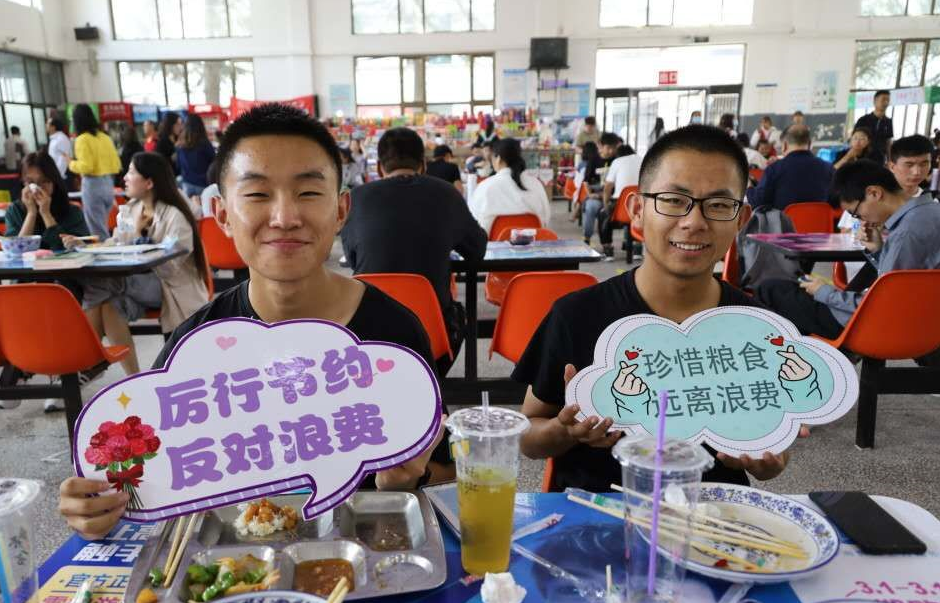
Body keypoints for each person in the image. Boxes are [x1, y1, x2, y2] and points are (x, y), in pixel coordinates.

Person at [58, 104, 453, 540]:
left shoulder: (395, 335)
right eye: (258, 195)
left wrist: (406, 480)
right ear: (222, 214)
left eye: (308, 192)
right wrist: (99, 508)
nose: (285, 218)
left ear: (342, 210)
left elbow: (446, 472)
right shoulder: (194, 347)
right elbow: (145, 484)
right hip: (235, 561)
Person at [513, 124, 807, 493]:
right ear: (637, 210)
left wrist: (768, 460)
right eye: (673, 200)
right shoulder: (576, 315)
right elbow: (527, 437)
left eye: (718, 205)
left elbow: (773, 455)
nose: (694, 222)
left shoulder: (759, 329)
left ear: (740, 220)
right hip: (597, 513)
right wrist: (565, 430)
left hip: (711, 513)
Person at [342, 127, 487, 374]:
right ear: (423, 165)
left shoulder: (355, 199)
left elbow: (355, 260)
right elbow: (477, 250)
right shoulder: (446, 194)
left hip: (369, 335)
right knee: (457, 315)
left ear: (380, 168)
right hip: (433, 336)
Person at [756, 160, 940, 339]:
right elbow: (899, 282)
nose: (860, 219)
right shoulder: (931, 212)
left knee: (770, 288)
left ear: (874, 193)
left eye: (855, 213)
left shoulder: (905, 233)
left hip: (870, 326)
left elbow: (883, 304)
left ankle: (812, 352)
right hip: (924, 320)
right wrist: (878, 250)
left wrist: (824, 291)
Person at [66, 152, 210, 375]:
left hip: (170, 286)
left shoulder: (175, 215)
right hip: (137, 283)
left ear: (149, 182)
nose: (124, 177)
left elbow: (171, 265)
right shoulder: (130, 209)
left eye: (131, 172)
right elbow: (117, 243)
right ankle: (133, 378)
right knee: (109, 305)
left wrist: (140, 239)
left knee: (100, 285)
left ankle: (87, 361)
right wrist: (85, 246)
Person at [5, 152, 89, 250]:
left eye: (44, 181)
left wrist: (46, 213)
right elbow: (17, 249)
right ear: (23, 183)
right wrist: (31, 213)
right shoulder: (14, 210)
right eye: (30, 182)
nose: (37, 188)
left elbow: (65, 247)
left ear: (54, 182)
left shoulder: (72, 211)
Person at [470, 137, 551, 236]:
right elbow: (546, 220)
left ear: (498, 159)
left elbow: (474, 222)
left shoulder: (485, 187)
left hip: (493, 245)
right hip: (532, 243)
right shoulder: (536, 184)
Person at [746, 125, 834, 211]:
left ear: (784, 145)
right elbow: (836, 201)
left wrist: (749, 188)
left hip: (784, 221)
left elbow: (757, 202)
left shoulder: (774, 169)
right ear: (810, 144)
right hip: (821, 221)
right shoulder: (829, 169)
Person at [69, 104, 121, 240]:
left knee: (96, 230)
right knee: (103, 226)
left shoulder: (82, 139)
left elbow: (86, 167)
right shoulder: (105, 137)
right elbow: (117, 164)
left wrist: (71, 163)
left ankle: (105, 252)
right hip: (108, 184)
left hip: (93, 184)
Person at [176, 114, 217, 199]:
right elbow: (214, 163)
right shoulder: (205, 144)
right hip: (203, 184)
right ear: (201, 126)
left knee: (189, 207)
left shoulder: (180, 144)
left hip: (187, 183)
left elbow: (178, 165)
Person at [854, 90, 893, 164]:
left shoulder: (888, 121)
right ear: (875, 101)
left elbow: (888, 141)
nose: (886, 103)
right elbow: (855, 138)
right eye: (883, 99)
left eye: (888, 100)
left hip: (880, 159)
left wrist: (889, 160)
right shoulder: (863, 119)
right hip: (863, 157)